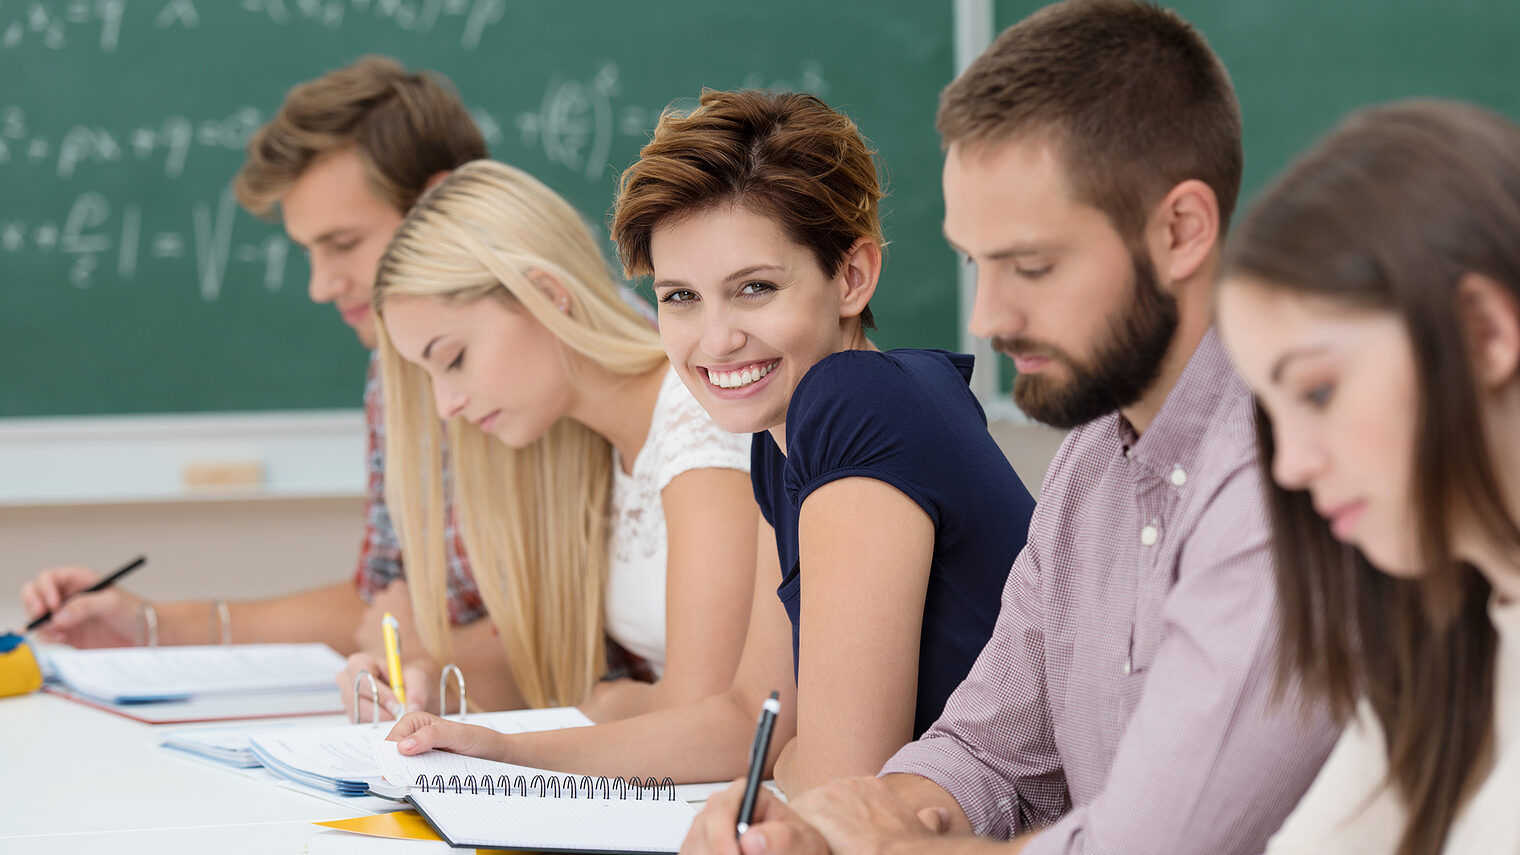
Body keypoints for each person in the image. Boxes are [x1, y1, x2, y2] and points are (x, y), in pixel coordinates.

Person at [680, 3, 1340, 854]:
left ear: (1180, 231)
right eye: (973, 264)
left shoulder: (1288, 477)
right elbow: (985, 753)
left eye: (1031, 266)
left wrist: (894, 847)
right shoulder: (1090, 461)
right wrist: (831, 822)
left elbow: (1150, 844)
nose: (987, 318)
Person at [385, 89, 1035, 796]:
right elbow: (739, 721)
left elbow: (840, 782)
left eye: (754, 287)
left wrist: (786, 758)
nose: (716, 341)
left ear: (851, 276)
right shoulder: (778, 435)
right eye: (680, 298)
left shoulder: (856, 402)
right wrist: (496, 749)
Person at [17, 57, 520, 714]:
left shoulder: (552, 367)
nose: (321, 285)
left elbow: (587, 642)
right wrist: (150, 626)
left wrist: (428, 645)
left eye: (343, 242)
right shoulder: (391, 375)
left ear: (439, 203)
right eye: (309, 250)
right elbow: (375, 606)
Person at [1216, 99, 1520, 855]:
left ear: (1483, 333)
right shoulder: (1443, 651)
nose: (1289, 465)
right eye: (1274, 413)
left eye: (1317, 391)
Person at [363, 158, 757, 718]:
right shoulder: (582, 446)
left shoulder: (698, 421)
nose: (445, 406)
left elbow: (700, 718)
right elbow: (546, 672)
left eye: (453, 359)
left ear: (547, 295)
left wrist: (605, 703)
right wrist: (423, 680)